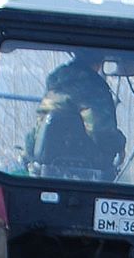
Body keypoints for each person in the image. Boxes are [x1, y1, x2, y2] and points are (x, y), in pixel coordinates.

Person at [26, 51, 125, 179]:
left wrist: (29, 158)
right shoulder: (94, 89)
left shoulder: (55, 86)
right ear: (99, 64)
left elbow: (35, 135)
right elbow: (100, 132)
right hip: (87, 171)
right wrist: (119, 144)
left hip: (44, 171)